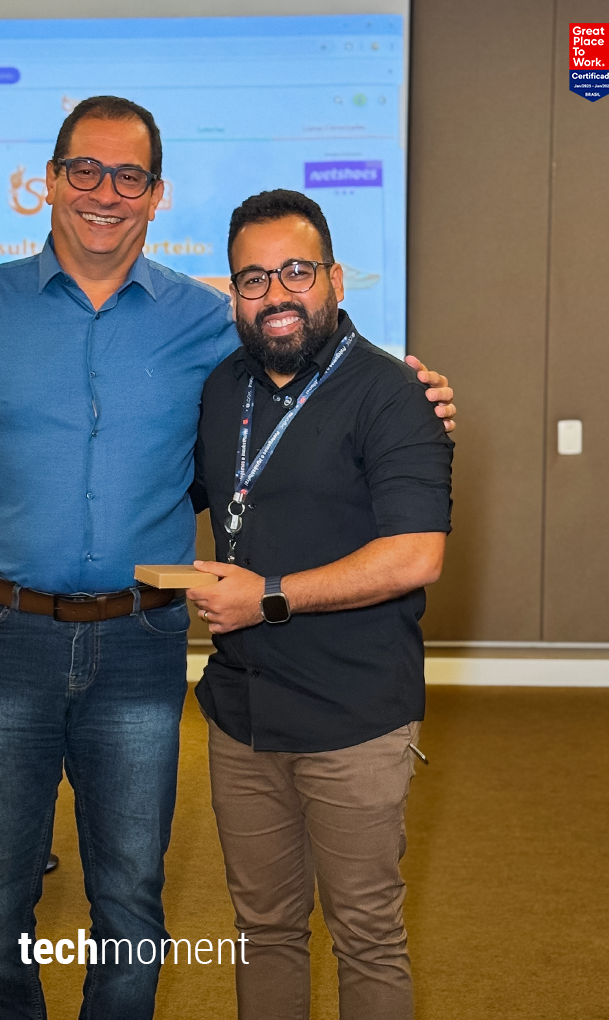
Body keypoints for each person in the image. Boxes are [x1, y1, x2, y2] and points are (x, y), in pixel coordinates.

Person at [0, 97, 455, 1020]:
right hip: (4, 638)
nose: (106, 193)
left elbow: (306, 341)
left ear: (157, 194)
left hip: (140, 647)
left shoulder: (206, 320)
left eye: (129, 176)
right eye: (85, 171)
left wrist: (413, 388)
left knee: (131, 895)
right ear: (48, 182)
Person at [186, 189, 453, 1020]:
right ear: (234, 293)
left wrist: (267, 598)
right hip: (242, 717)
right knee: (263, 930)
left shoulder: (393, 394)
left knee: (366, 936)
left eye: (296, 272)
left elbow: (415, 555)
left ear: (335, 279)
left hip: (353, 719)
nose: (276, 294)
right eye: (253, 278)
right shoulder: (220, 390)